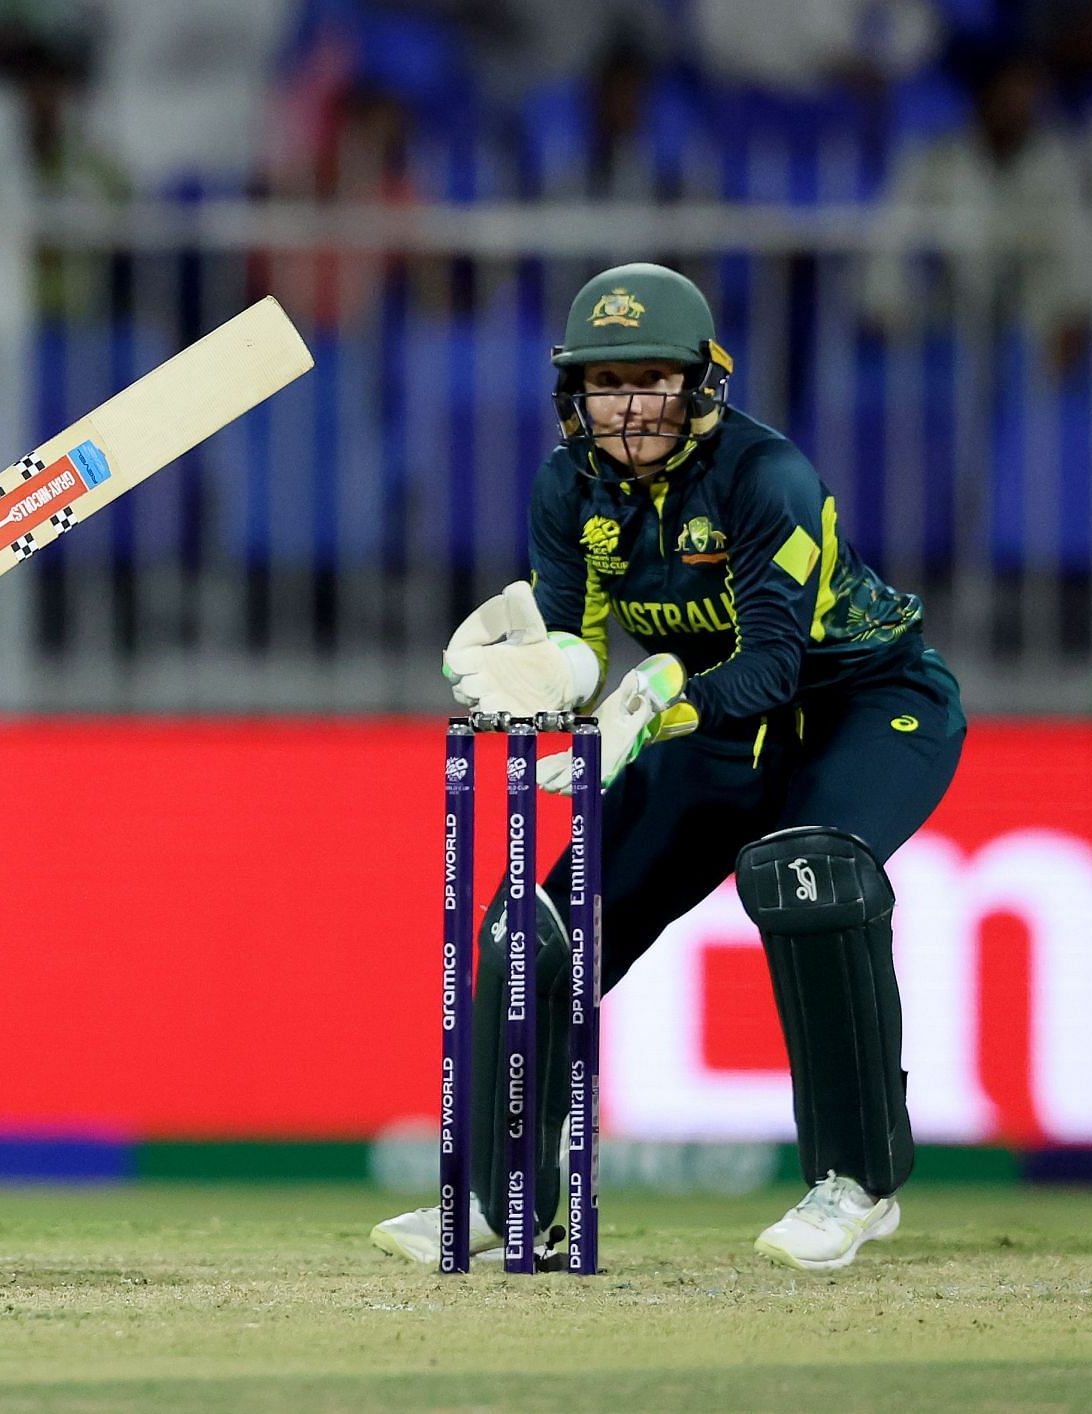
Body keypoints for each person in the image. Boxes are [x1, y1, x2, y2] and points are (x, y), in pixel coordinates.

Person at [373, 262, 965, 1272]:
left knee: (806, 870)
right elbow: (577, 639)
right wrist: (546, 673)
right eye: (608, 382)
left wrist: (652, 708)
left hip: (866, 704)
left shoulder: (762, 474)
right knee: (532, 930)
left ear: (700, 385)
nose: (630, 404)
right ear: (577, 393)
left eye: (652, 378)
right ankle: (507, 1193)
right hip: (703, 726)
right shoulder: (570, 487)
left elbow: (776, 666)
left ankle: (856, 1180)